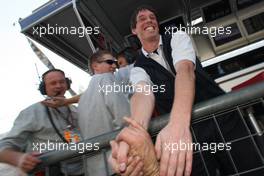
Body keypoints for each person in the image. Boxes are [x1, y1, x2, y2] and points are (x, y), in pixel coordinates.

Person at [109, 5, 263, 176]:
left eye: (152, 17)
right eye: (142, 18)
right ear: (134, 30)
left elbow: (185, 70)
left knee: (250, 168)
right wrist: (135, 131)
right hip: (190, 135)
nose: (149, 20)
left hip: (223, 120)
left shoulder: (177, 37)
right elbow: (143, 93)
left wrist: (177, 124)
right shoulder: (138, 68)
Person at [0, 69, 83, 176]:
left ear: (67, 84)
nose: (58, 86)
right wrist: (18, 158)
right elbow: (3, 147)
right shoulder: (32, 112)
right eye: (53, 83)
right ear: (44, 88)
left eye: (62, 82)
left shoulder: (75, 110)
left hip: (84, 169)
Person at [77, 50, 133, 175]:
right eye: (109, 62)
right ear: (95, 66)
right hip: (119, 161)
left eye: (115, 63)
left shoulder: (83, 97)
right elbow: (124, 117)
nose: (114, 66)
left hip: (96, 168)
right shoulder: (107, 78)